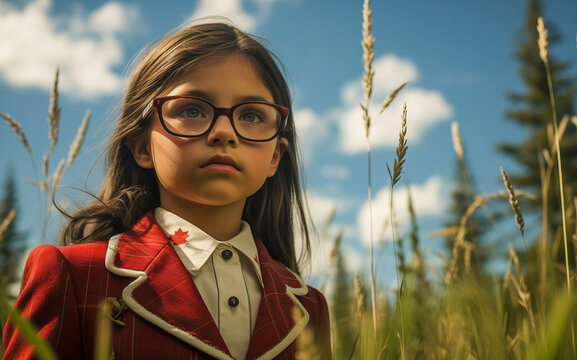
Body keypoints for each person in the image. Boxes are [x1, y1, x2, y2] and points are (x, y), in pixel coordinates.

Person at [3, 21, 331, 360]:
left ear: (275, 156)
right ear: (142, 145)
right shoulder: (73, 276)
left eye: (250, 115)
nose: (223, 132)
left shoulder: (309, 306)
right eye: (192, 110)